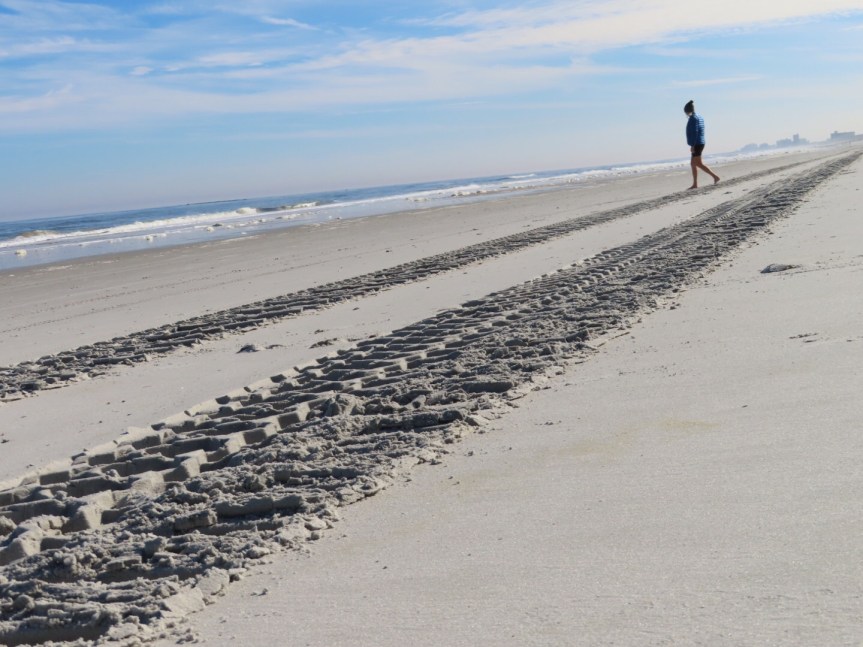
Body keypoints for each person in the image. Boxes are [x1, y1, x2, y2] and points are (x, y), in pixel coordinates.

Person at [684, 99, 720, 189]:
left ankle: (715, 177)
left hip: (697, 143)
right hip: (700, 142)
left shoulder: (693, 118)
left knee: (698, 163)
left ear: (687, 111)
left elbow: (695, 132)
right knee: (693, 164)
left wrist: (692, 145)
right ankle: (695, 184)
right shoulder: (699, 117)